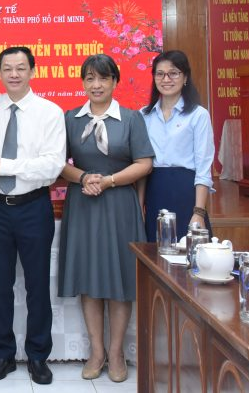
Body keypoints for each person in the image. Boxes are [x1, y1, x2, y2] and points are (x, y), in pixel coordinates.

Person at [0, 46, 66, 386]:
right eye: (7, 68)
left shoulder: (49, 112)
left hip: (33, 206)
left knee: (37, 285)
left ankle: (38, 356)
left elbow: (53, 165)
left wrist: (4, 165)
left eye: (21, 68)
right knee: (0, 285)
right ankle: (4, 355)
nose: (14, 74)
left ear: (32, 71)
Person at [57, 54, 154, 384]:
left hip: (120, 205)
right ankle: (96, 352)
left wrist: (109, 181)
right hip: (84, 204)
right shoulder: (71, 119)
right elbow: (58, 164)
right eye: (89, 78)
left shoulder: (131, 119)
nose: (96, 85)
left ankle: (116, 353)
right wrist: (84, 177)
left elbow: (144, 163)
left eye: (103, 78)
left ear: (114, 81)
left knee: (120, 281)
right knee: (90, 278)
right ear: (83, 82)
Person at [140, 49, 215, 241]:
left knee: (189, 252)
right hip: (154, 192)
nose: (166, 79)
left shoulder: (198, 115)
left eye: (173, 73)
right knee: (155, 251)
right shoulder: (143, 116)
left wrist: (198, 211)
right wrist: (140, 207)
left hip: (185, 193)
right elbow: (140, 165)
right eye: (160, 74)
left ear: (185, 77)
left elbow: (203, 168)